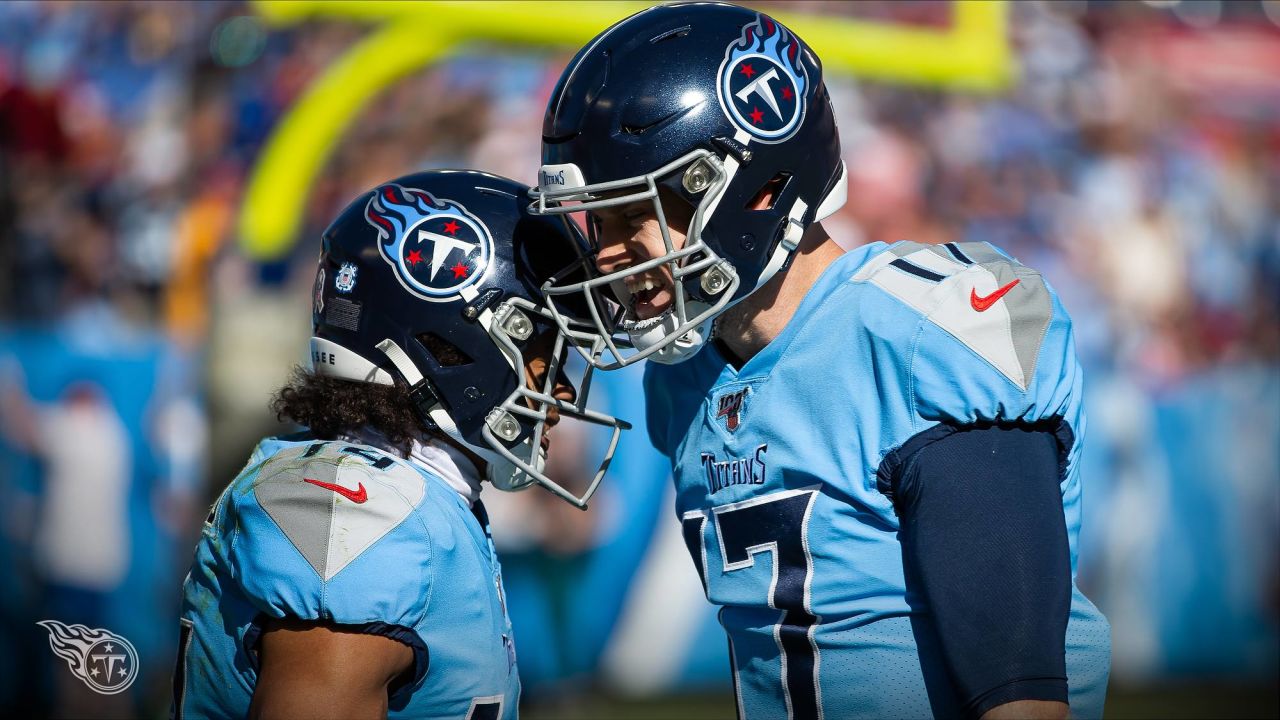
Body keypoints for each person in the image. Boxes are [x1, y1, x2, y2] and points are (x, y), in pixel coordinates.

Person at [529, 4, 1110, 719]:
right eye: (599, 221)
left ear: (754, 190)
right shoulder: (683, 378)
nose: (608, 254)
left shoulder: (920, 333)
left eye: (631, 216)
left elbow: (1020, 696)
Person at [172, 170, 628, 719]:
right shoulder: (356, 513)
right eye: (542, 347)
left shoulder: (412, 495)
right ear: (455, 349)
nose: (558, 386)